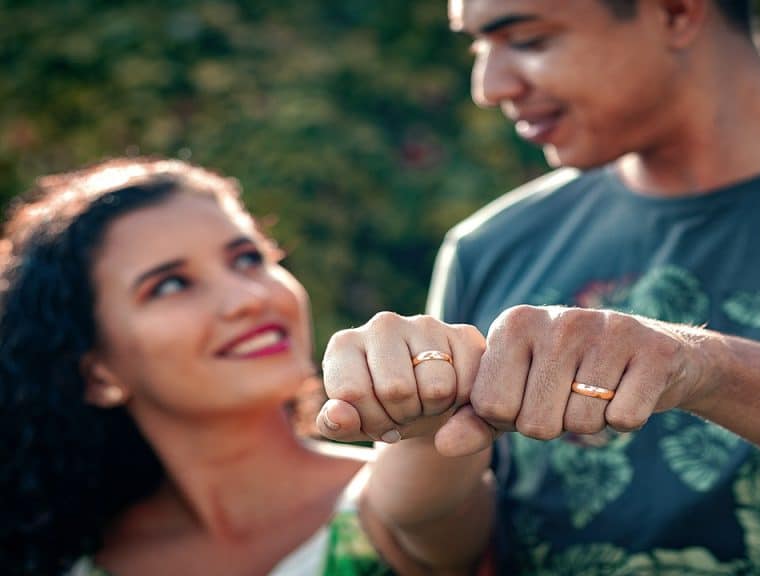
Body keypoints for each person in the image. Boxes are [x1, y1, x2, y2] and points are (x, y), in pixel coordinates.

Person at [317, 0, 760, 574]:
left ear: (678, 13)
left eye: (526, 39)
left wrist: (703, 367)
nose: (490, 86)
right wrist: (418, 439)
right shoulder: (490, 245)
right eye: (477, 47)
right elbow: (453, 554)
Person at [0, 157, 487, 575]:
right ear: (98, 375)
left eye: (248, 258)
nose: (249, 299)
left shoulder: (388, 507)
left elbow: (432, 490)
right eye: (170, 285)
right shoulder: (60, 560)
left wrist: (430, 407)